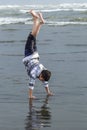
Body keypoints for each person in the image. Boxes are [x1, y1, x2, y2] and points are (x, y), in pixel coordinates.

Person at [22, 10, 53, 99]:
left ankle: (39, 23)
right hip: (29, 54)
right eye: (42, 79)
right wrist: (30, 95)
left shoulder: (44, 71)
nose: (41, 80)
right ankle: (36, 19)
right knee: (31, 36)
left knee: (33, 37)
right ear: (41, 75)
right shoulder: (34, 73)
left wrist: (48, 92)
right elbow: (31, 84)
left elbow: (45, 82)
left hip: (35, 54)